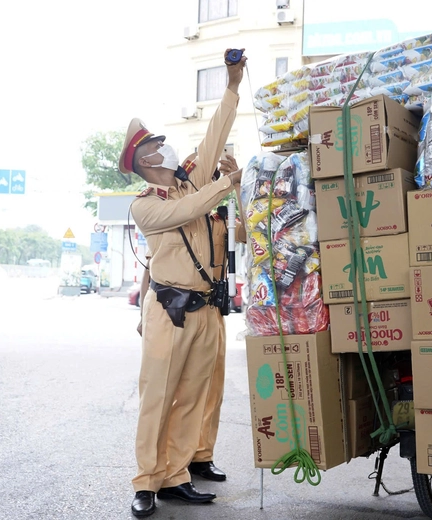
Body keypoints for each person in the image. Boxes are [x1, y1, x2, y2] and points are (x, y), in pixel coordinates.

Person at [119, 49, 247, 518]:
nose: (166, 147)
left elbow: (215, 137)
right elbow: (185, 213)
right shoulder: (145, 205)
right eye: (156, 144)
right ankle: (145, 482)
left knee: (192, 396)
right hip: (167, 312)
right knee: (157, 398)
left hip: (203, 308)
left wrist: (233, 85)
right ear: (144, 158)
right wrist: (226, 185)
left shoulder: (191, 183)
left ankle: (175, 475)